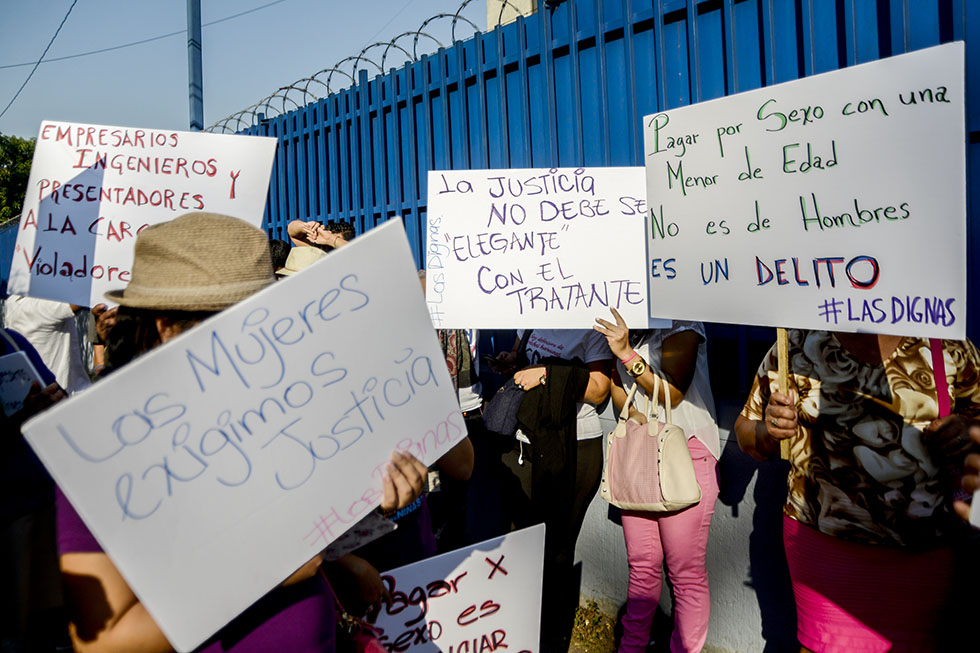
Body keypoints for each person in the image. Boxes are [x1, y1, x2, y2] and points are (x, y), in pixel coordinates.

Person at [57, 212, 428, 652]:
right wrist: (270, 570)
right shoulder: (104, 444)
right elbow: (103, 643)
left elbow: (295, 539)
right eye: (233, 319)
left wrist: (363, 524)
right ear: (163, 326)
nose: (261, 337)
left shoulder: (264, 410)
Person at [734, 330, 980, 652]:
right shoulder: (795, 342)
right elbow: (745, 431)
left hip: (922, 554)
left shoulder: (945, 342)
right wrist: (769, 431)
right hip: (823, 550)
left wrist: (965, 432)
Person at [593, 309, 720, 653]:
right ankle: (631, 649)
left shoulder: (683, 319)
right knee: (642, 567)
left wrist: (626, 355)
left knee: (685, 572)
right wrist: (637, 417)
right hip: (641, 453)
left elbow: (673, 393)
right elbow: (620, 395)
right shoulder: (626, 328)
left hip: (687, 453)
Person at [491, 326, 612, 650]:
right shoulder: (533, 309)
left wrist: (545, 373)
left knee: (555, 556)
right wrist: (513, 362)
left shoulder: (592, 324)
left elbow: (600, 389)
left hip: (572, 448)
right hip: (525, 445)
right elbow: (523, 359)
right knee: (520, 548)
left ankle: (550, 641)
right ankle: (518, 637)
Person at [0, 328, 69, 652]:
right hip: (8, 513)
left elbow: (56, 395)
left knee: (46, 627)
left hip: (40, 507)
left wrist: (54, 400)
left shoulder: (10, 340)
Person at [4, 295, 90, 394]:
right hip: (65, 396)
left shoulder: (12, 301)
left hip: (44, 394)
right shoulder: (39, 305)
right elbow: (82, 297)